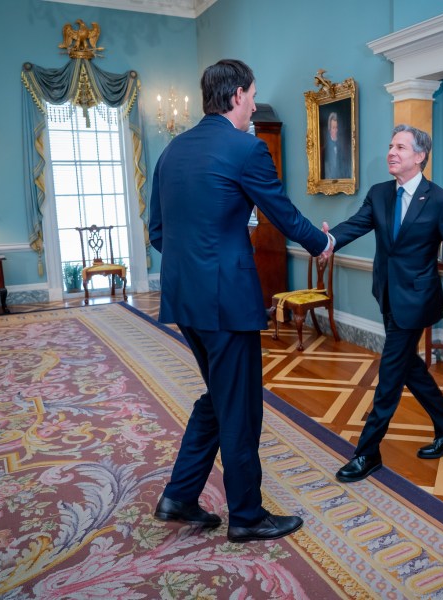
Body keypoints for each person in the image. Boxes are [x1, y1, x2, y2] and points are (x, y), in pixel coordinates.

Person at [149, 59, 333, 543]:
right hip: (226, 302)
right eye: (252, 96)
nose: (253, 104)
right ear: (236, 97)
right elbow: (284, 215)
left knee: (221, 397)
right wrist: (323, 242)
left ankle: (179, 495)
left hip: (184, 299)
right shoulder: (246, 148)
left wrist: (196, 265)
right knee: (242, 407)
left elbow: (157, 233)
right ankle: (248, 516)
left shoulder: (171, 151)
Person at [326, 124, 443, 483]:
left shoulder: (440, 200)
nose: (391, 153)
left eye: (400, 147)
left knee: (391, 373)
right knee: (409, 365)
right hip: (386, 294)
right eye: (390, 146)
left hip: (416, 300)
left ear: (420, 156)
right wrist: (328, 240)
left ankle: (367, 452)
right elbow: (355, 225)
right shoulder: (380, 193)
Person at [322, 111, 350, 179]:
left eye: (337, 127)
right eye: (333, 128)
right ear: (329, 130)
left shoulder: (345, 148)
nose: (336, 130)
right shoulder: (325, 150)